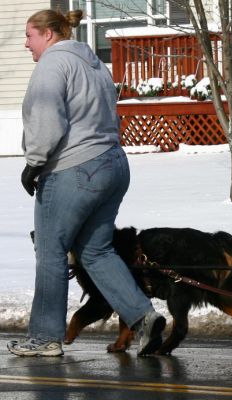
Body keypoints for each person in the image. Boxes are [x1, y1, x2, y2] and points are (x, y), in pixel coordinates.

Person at [7, 9, 165, 357]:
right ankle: (143, 317)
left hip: (74, 168)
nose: (26, 43)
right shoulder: (93, 63)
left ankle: (45, 337)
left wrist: (34, 163)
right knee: (95, 251)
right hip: (113, 164)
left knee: (50, 250)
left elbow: (48, 119)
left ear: (48, 34)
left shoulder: (52, 64)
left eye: (30, 35)